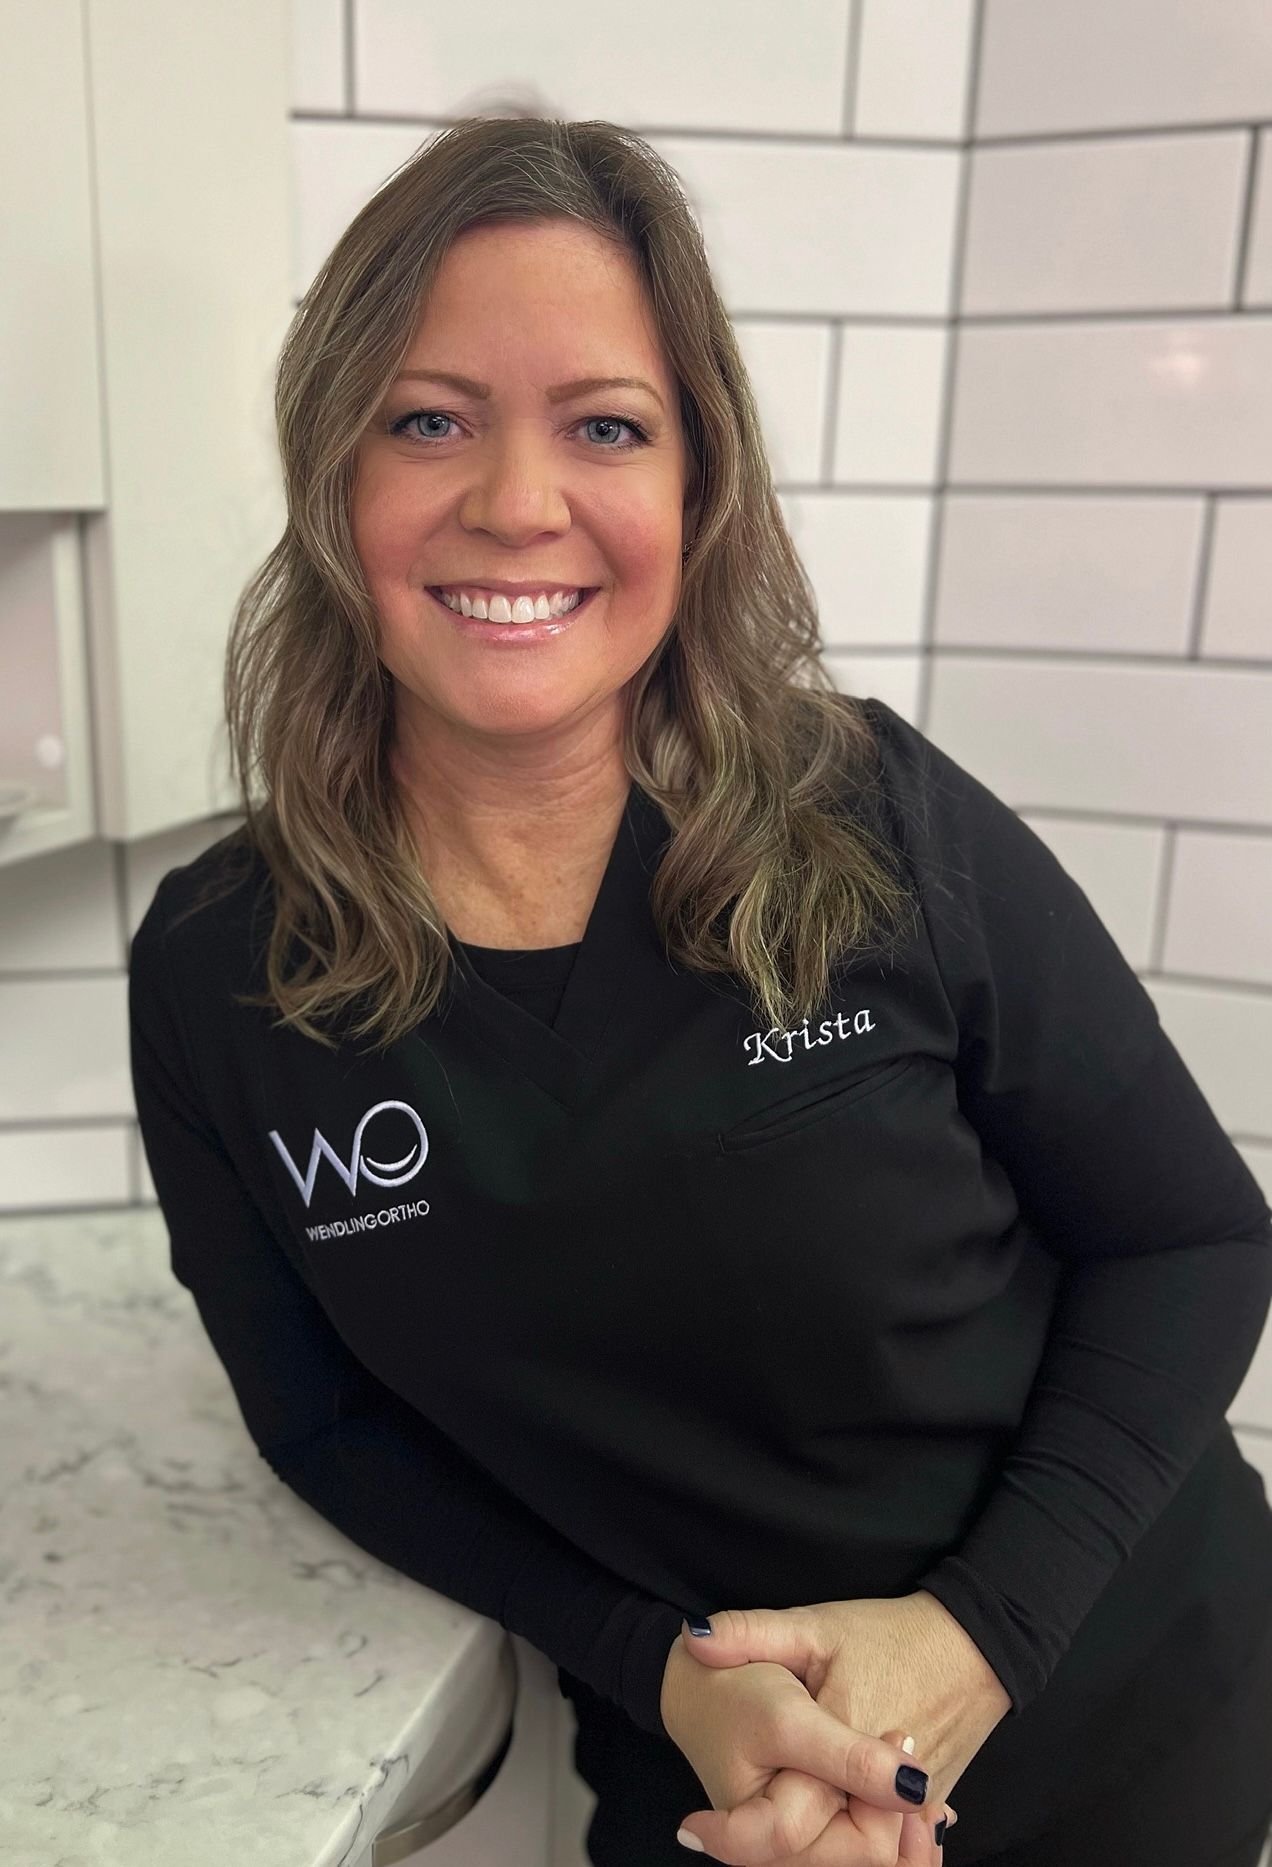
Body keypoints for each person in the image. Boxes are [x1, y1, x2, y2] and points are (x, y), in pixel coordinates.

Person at [126, 111, 1272, 1867]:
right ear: (331, 476)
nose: (517, 502)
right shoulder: (223, 973)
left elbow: (1193, 1240)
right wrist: (665, 1677)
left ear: (694, 488)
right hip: (714, 1795)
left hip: (1122, 1703)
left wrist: (976, 1642)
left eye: (606, 427)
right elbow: (323, 1419)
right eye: (427, 421)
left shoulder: (864, 814)